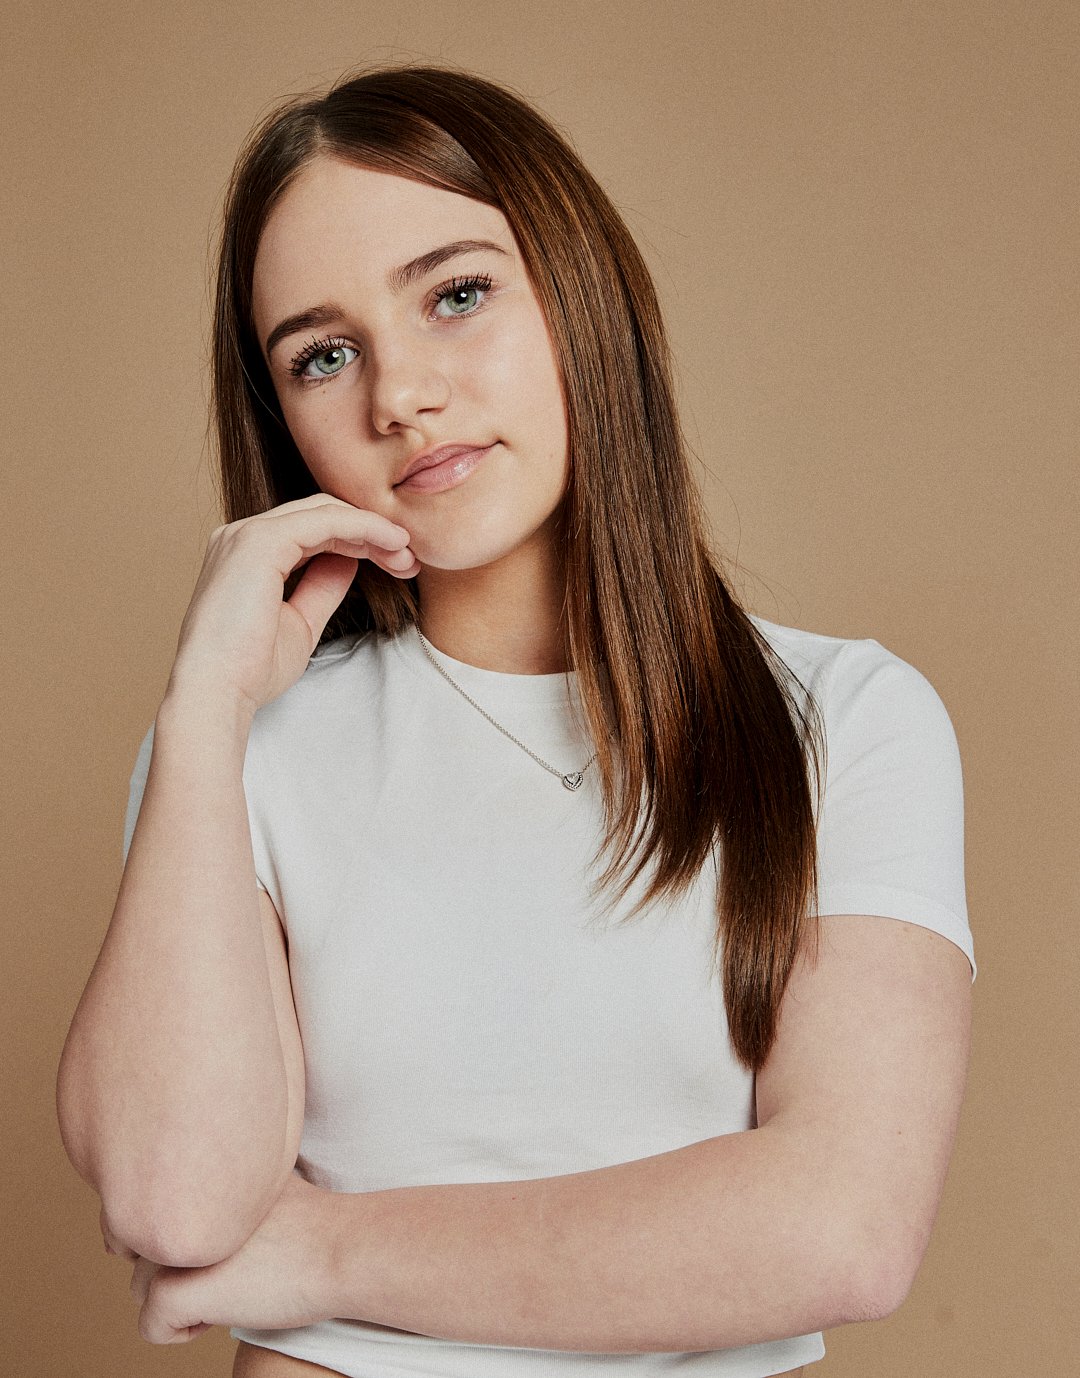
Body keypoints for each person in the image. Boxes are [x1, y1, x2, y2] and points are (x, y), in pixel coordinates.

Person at [56, 65, 975, 1378]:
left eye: (456, 293)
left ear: (577, 297)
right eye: (323, 354)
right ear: (286, 421)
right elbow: (170, 1198)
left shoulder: (844, 719)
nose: (399, 395)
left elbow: (844, 1226)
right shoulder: (234, 757)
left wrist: (320, 1253)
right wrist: (202, 708)